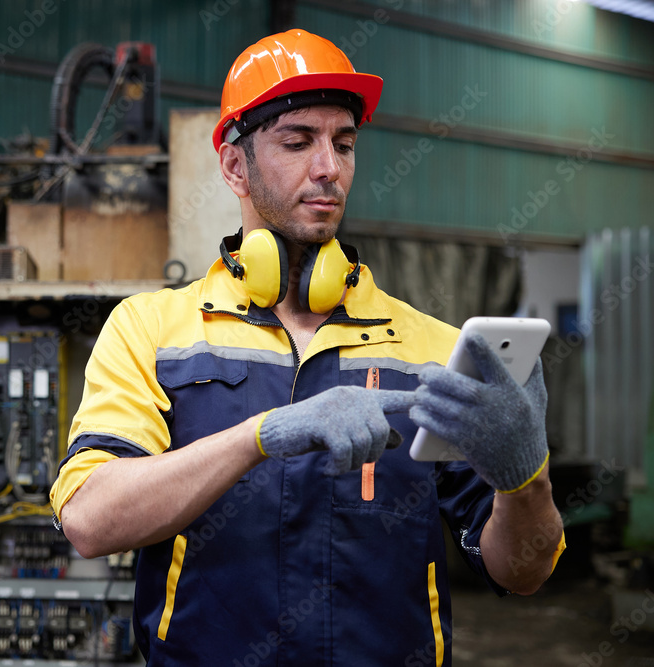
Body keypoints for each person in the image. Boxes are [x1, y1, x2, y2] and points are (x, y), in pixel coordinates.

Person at [50, 29, 564, 666]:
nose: (329, 169)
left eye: (343, 144)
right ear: (234, 167)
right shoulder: (151, 329)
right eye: (297, 142)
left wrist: (527, 480)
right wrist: (260, 435)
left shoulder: (432, 349)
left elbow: (523, 573)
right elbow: (90, 521)